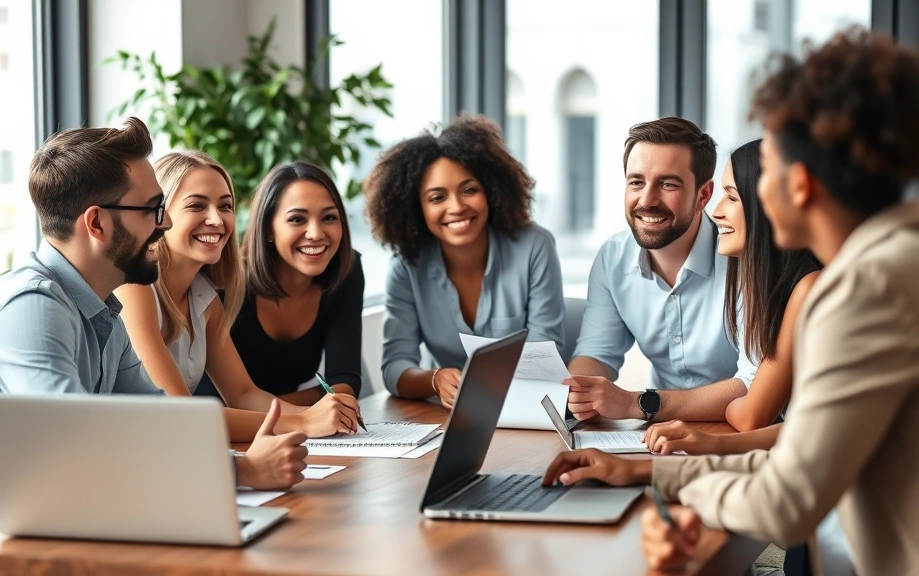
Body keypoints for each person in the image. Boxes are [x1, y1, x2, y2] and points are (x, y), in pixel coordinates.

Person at [542, 28, 919, 575]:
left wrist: (670, 487)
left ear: (800, 184)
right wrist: (643, 473)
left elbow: (787, 502)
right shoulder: (894, 259)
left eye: (757, 177)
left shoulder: (865, 293)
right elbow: (801, 447)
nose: (727, 204)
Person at [0, 119, 306, 524]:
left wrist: (242, 465)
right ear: (96, 223)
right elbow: (82, 446)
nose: (163, 224)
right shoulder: (29, 309)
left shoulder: (102, 313)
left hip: (42, 524)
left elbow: (160, 422)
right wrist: (243, 471)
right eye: (153, 210)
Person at [115, 152, 361, 439]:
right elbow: (182, 415)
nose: (216, 219)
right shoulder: (135, 289)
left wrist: (327, 413)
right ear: (160, 214)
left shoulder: (205, 298)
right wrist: (304, 422)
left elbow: (244, 395)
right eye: (197, 205)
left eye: (226, 206)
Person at [364, 113, 565, 409]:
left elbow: (544, 355)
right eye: (437, 198)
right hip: (447, 419)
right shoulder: (406, 266)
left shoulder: (534, 246)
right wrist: (434, 379)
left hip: (527, 410)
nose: (456, 207)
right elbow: (395, 367)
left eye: (469, 190)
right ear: (415, 207)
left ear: (491, 192)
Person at [566, 117, 757, 424]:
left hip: (734, 432)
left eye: (668, 184)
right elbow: (597, 354)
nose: (647, 200)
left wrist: (636, 403)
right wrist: (577, 393)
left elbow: (754, 385)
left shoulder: (745, 261)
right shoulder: (613, 258)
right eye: (636, 182)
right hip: (659, 435)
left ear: (704, 196)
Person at [642, 139, 821, 456]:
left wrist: (725, 420)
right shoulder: (769, 287)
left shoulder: (807, 287)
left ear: (767, 205)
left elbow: (751, 416)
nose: (716, 212)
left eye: (732, 197)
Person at [229, 161, 366, 407]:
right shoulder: (229, 281)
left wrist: (296, 415)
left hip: (282, 429)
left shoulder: (347, 270)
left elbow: (344, 380)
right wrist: (306, 413)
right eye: (297, 220)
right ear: (268, 229)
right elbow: (227, 403)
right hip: (218, 430)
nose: (315, 233)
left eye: (329, 217)